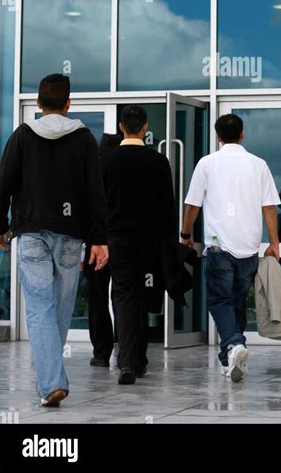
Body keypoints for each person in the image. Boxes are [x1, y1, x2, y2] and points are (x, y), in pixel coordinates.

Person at [0, 74, 108, 407]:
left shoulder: (23, 136)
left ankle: (51, 382)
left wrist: (0, 226)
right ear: (69, 102)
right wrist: (100, 239)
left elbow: (2, 184)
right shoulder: (85, 138)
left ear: (39, 103)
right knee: (59, 309)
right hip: (71, 235)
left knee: (40, 308)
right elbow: (95, 193)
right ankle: (51, 380)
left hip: (30, 233)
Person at [181, 114, 280, 383]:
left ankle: (235, 344)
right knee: (235, 303)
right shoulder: (258, 165)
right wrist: (274, 242)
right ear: (242, 134)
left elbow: (193, 205)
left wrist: (185, 233)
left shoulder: (207, 163)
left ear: (217, 136)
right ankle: (230, 359)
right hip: (249, 248)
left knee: (219, 300)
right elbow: (268, 207)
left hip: (219, 245)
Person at [101, 105, 175, 385]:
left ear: (121, 127)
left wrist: (98, 239)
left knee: (123, 296)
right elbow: (167, 206)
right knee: (144, 297)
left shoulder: (106, 161)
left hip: (117, 240)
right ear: (144, 127)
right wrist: (170, 242)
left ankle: (128, 361)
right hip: (149, 241)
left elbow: (98, 204)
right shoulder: (158, 162)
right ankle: (137, 359)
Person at [83, 133, 122, 367]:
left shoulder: (92, 171)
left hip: (95, 242)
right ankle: (127, 348)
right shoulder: (123, 172)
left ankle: (101, 352)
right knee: (123, 297)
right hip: (121, 240)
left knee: (97, 298)